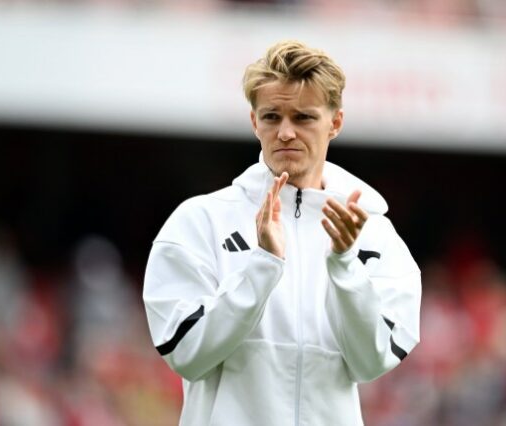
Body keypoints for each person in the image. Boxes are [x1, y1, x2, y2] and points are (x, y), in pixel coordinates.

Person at [143, 40, 421, 425]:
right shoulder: (199, 221)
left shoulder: (374, 233)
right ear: (254, 122)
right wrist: (262, 266)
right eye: (272, 117)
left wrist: (344, 265)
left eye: (303, 117)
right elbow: (187, 354)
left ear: (335, 122)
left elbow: (371, 362)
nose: (286, 132)